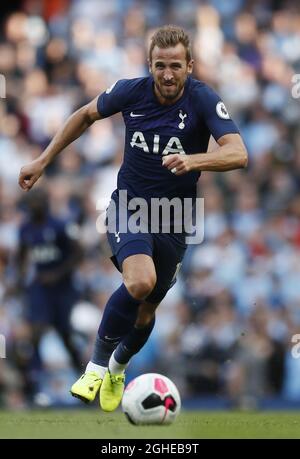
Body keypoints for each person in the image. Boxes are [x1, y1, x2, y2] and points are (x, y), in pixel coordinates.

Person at [18, 25, 248, 412]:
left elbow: (238, 153)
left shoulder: (203, 99)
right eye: (160, 65)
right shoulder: (130, 91)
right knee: (140, 281)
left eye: (176, 65)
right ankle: (94, 367)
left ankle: (117, 367)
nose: (168, 74)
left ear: (189, 65)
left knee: (145, 313)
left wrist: (194, 159)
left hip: (175, 218)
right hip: (129, 207)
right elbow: (85, 115)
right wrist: (43, 160)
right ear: (150, 65)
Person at [16, 188, 83, 401]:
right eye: (31, 204)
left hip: (63, 289)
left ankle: (85, 381)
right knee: (35, 332)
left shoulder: (60, 225)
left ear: (45, 203)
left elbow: (78, 252)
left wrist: (57, 273)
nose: (34, 207)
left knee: (65, 336)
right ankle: (31, 385)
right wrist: (19, 279)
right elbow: (21, 254)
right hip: (40, 287)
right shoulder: (25, 228)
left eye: (37, 203)